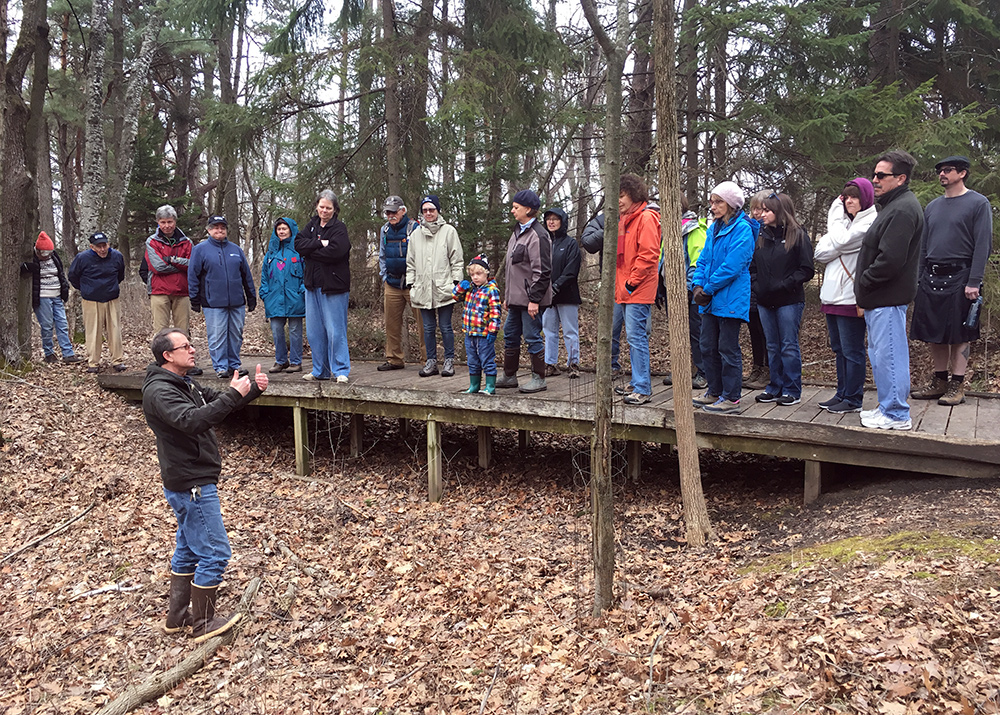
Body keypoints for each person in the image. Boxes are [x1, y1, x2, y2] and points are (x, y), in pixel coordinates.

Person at [141, 328, 268, 642]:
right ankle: (203, 623)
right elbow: (193, 420)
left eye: (191, 344)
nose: (192, 349)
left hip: (190, 477)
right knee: (215, 552)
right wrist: (232, 395)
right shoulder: (160, 391)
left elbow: (213, 402)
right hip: (191, 482)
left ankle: (178, 617)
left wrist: (250, 389)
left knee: (186, 551)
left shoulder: (181, 381)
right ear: (167, 355)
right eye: (185, 346)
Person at [909, 155, 993, 407]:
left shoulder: (978, 203)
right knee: (934, 333)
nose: (942, 175)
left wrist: (974, 281)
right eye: (940, 171)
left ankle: (958, 385)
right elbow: (924, 245)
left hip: (962, 277)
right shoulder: (933, 206)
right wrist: (919, 277)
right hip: (932, 276)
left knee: (959, 333)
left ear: (963, 173)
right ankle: (940, 381)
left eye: (948, 170)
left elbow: (982, 245)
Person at [856, 149, 924, 430]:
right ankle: (887, 406)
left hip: (887, 296)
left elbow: (891, 259)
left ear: (900, 178)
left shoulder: (904, 209)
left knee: (890, 355)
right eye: (874, 174)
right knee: (881, 355)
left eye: (881, 175)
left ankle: (896, 413)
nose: (875, 180)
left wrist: (865, 280)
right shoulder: (894, 207)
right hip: (880, 298)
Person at [691, 181, 758, 413]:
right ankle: (714, 391)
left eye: (718, 201)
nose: (713, 206)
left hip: (730, 298)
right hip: (710, 299)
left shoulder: (743, 229)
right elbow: (703, 260)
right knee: (707, 345)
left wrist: (707, 288)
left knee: (727, 348)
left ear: (731, 204)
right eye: (711, 201)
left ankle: (732, 397)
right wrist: (697, 284)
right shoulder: (714, 229)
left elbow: (732, 266)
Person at [813, 178, 878, 414]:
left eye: (854, 197)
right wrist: (839, 241)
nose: (849, 201)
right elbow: (820, 252)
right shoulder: (844, 224)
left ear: (865, 199)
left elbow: (840, 240)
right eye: (846, 197)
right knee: (839, 349)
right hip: (831, 295)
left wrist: (835, 214)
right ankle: (841, 392)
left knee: (853, 350)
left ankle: (853, 397)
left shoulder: (870, 222)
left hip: (851, 296)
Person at [751, 193, 815, 406]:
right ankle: (774, 386)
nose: (763, 214)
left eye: (768, 210)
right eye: (763, 209)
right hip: (764, 300)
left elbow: (806, 269)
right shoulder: (761, 235)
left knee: (788, 344)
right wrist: (758, 286)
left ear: (779, 212)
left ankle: (792, 389)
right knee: (772, 345)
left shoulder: (798, 235)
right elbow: (753, 267)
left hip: (789, 300)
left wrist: (784, 284)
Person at [497, 189, 552, 393]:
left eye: (516, 207)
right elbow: (514, 270)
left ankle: (539, 378)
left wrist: (534, 300)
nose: (512, 211)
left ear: (528, 209)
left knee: (532, 336)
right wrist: (508, 297)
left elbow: (543, 272)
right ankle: (509, 376)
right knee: (510, 335)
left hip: (532, 301)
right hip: (516, 300)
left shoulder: (538, 235)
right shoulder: (516, 232)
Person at [613, 174, 661, 405]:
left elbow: (649, 254)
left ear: (633, 195)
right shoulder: (625, 220)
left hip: (638, 288)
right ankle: (636, 382)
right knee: (631, 337)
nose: (618, 200)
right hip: (624, 289)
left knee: (636, 337)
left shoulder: (646, 218)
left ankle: (642, 387)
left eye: (621, 196)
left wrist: (632, 282)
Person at [189, 216, 257, 379]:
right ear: (209, 229)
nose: (219, 230)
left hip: (236, 301)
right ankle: (220, 366)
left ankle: (234, 365)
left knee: (235, 334)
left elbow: (246, 275)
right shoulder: (200, 250)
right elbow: (193, 275)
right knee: (217, 335)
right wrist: (194, 299)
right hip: (213, 302)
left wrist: (251, 296)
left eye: (222, 228)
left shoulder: (235, 249)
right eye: (215, 227)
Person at [295, 189, 351, 383]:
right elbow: (298, 244)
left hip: (334, 286)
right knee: (315, 331)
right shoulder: (311, 226)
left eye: (328, 208)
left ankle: (341, 369)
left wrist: (311, 251)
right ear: (317, 206)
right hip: (312, 286)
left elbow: (337, 252)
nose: (324, 211)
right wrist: (320, 244)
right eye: (321, 207)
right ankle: (321, 370)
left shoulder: (339, 228)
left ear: (335, 209)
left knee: (335, 330)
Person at [406, 194, 464, 378]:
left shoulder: (449, 231)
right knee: (428, 327)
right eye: (425, 210)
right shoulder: (415, 235)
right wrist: (411, 283)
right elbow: (411, 262)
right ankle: (430, 361)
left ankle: (449, 360)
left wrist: (455, 282)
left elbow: (457, 259)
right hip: (422, 288)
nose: (428, 213)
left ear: (438, 211)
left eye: (432, 209)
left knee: (445, 326)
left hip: (444, 286)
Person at [141, 206, 202, 375]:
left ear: (175, 222)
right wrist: (178, 264)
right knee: (160, 330)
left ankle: (185, 364)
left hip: (182, 291)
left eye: (169, 222)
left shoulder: (186, 242)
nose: (166, 225)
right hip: (159, 290)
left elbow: (192, 264)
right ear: (157, 222)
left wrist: (171, 259)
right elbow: (157, 266)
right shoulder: (152, 241)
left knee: (182, 329)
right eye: (163, 222)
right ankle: (161, 365)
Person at [660, 192, 708, 389]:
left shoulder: (693, 229)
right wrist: (659, 287)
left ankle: (703, 372)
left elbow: (697, 260)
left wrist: (689, 287)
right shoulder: (669, 231)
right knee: (677, 332)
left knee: (696, 332)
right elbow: (663, 260)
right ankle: (681, 368)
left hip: (690, 292)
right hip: (671, 289)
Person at [20, 232, 83, 365]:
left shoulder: (54, 257)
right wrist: (27, 267)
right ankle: (49, 353)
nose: (46, 256)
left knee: (62, 324)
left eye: (48, 253)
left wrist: (64, 290)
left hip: (57, 296)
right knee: (47, 325)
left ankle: (68, 354)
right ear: (37, 251)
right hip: (42, 297)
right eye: (43, 253)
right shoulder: (30, 257)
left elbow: (60, 274)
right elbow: (19, 268)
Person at [68, 231, 126, 374]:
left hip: (112, 298)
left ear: (108, 244)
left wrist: (111, 287)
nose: (102, 249)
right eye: (98, 246)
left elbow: (120, 275)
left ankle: (117, 360)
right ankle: (93, 362)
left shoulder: (117, 256)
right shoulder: (82, 258)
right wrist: (86, 289)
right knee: (93, 331)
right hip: (91, 300)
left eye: (104, 245)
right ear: (92, 247)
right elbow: (73, 276)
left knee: (115, 330)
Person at [377, 196, 423, 371]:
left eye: (394, 211)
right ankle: (394, 359)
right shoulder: (385, 230)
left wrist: (417, 279)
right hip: (392, 282)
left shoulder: (415, 228)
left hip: (413, 283)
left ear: (403, 211)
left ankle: (428, 360)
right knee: (391, 324)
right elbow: (382, 255)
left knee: (423, 324)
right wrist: (384, 276)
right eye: (388, 212)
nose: (391, 215)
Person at [259, 217, 304, 373]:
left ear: (291, 230)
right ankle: (281, 361)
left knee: (295, 331)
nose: (282, 231)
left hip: (295, 297)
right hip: (274, 298)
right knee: (277, 330)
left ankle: (296, 362)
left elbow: (306, 273)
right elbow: (264, 276)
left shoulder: (299, 252)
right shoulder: (271, 254)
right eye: (279, 229)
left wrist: (302, 290)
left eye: (285, 228)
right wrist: (264, 292)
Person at [541, 207, 582, 378]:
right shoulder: (544, 243)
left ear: (562, 221)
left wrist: (556, 286)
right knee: (549, 331)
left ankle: (573, 364)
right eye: (548, 219)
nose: (551, 222)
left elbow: (571, 270)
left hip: (567, 295)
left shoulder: (570, 244)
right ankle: (550, 364)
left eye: (555, 219)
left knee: (570, 331)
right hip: (547, 297)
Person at [453, 254, 502, 394]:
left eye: (479, 274)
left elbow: (495, 313)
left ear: (486, 273)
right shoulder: (469, 289)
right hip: (469, 333)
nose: (475, 277)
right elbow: (455, 297)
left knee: (487, 360)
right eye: (472, 274)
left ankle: (490, 387)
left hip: (484, 333)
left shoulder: (491, 290)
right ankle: (474, 386)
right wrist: (460, 287)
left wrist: (493, 331)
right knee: (472, 361)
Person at [742, 190, 771, 389]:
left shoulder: (771, 232)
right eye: (753, 208)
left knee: (765, 331)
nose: (756, 213)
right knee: (753, 331)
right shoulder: (750, 229)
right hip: (749, 288)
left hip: (764, 289)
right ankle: (757, 367)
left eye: (760, 208)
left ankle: (768, 370)